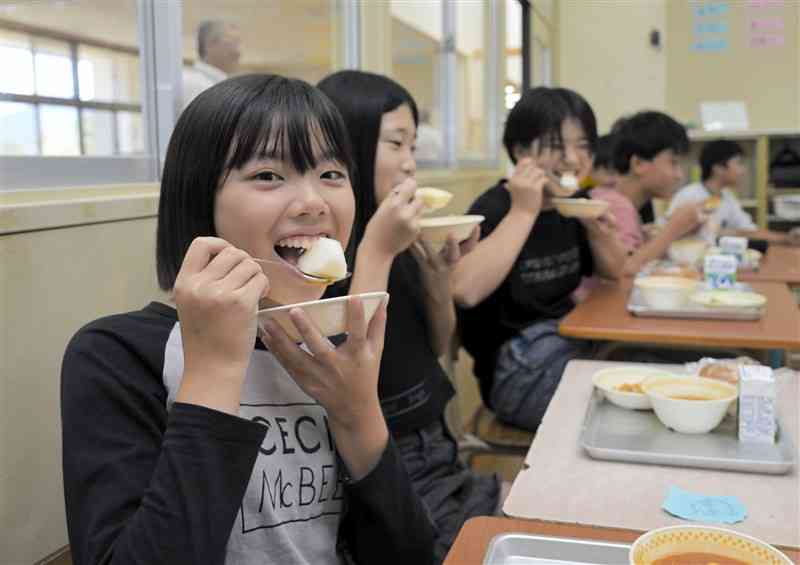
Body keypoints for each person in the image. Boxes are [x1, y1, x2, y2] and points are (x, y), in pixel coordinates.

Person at [61, 74, 435, 565]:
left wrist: (358, 412)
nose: (314, 202)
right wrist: (214, 370)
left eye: (331, 174)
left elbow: (408, 557)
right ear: (200, 200)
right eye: (268, 176)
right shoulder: (115, 354)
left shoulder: (327, 347)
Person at [318, 70, 501, 565]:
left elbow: (437, 346)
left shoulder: (395, 235)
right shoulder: (320, 251)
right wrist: (376, 249)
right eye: (396, 143)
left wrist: (439, 273)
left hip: (435, 439)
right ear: (348, 144)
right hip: (382, 459)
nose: (410, 164)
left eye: (414, 146)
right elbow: (348, 373)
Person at [453, 87, 625, 433]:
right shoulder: (497, 207)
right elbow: (463, 290)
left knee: (641, 383)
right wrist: (524, 210)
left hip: (568, 342)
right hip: (514, 370)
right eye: (558, 146)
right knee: (616, 416)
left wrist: (596, 227)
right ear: (520, 151)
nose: (574, 160)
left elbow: (615, 271)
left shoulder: (573, 205)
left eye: (583, 146)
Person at [592, 111, 708, 276]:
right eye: (673, 163)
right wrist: (673, 229)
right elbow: (625, 271)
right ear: (638, 164)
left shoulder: (620, 200)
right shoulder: (615, 205)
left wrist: (681, 230)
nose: (679, 175)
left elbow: (639, 257)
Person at [667, 139, 800, 245]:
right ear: (718, 168)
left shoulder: (727, 197)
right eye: (738, 164)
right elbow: (668, 234)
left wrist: (786, 238)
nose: (743, 171)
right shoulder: (689, 195)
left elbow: (748, 231)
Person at [181, 20, 241, 109]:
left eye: (238, 44)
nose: (238, 52)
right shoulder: (196, 85)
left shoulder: (216, 84)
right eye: (233, 43)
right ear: (210, 44)